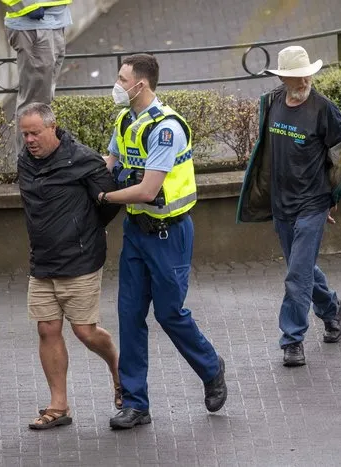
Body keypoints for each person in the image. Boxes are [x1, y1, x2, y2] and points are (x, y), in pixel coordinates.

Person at [99, 54, 227, 429]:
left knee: (170, 314)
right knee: (129, 316)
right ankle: (136, 404)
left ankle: (211, 367)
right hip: (137, 234)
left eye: (123, 79)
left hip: (169, 235)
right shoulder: (125, 120)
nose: (118, 86)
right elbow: (108, 164)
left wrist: (103, 199)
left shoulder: (166, 129)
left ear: (142, 84)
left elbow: (147, 189)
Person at [237, 46, 341, 367]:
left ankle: (292, 339)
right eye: (294, 76)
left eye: (305, 74)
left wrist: (334, 198)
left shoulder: (323, 110)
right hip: (281, 204)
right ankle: (332, 309)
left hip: (313, 204)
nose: (302, 80)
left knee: (296, 274)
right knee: (299, 270)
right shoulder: (272, 103)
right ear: (284, 78)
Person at [17, 102, 123, 430]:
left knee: (85, 332)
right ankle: (58, 407)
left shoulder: (83, 160)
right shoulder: (25, 161)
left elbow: (108, 202)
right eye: (25, 134)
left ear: (53, 128)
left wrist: (84, 233)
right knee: (47, 328)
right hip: (43, 262)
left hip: (80, 261)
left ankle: (120, 373)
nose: (30, 140)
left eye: (35, 133)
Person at [1, 0, 72, 152]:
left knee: (44, 101)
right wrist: (25, 5)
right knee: (34, 103)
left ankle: (41, 163)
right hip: (33, 22)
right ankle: (28, 166)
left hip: (56, 19)